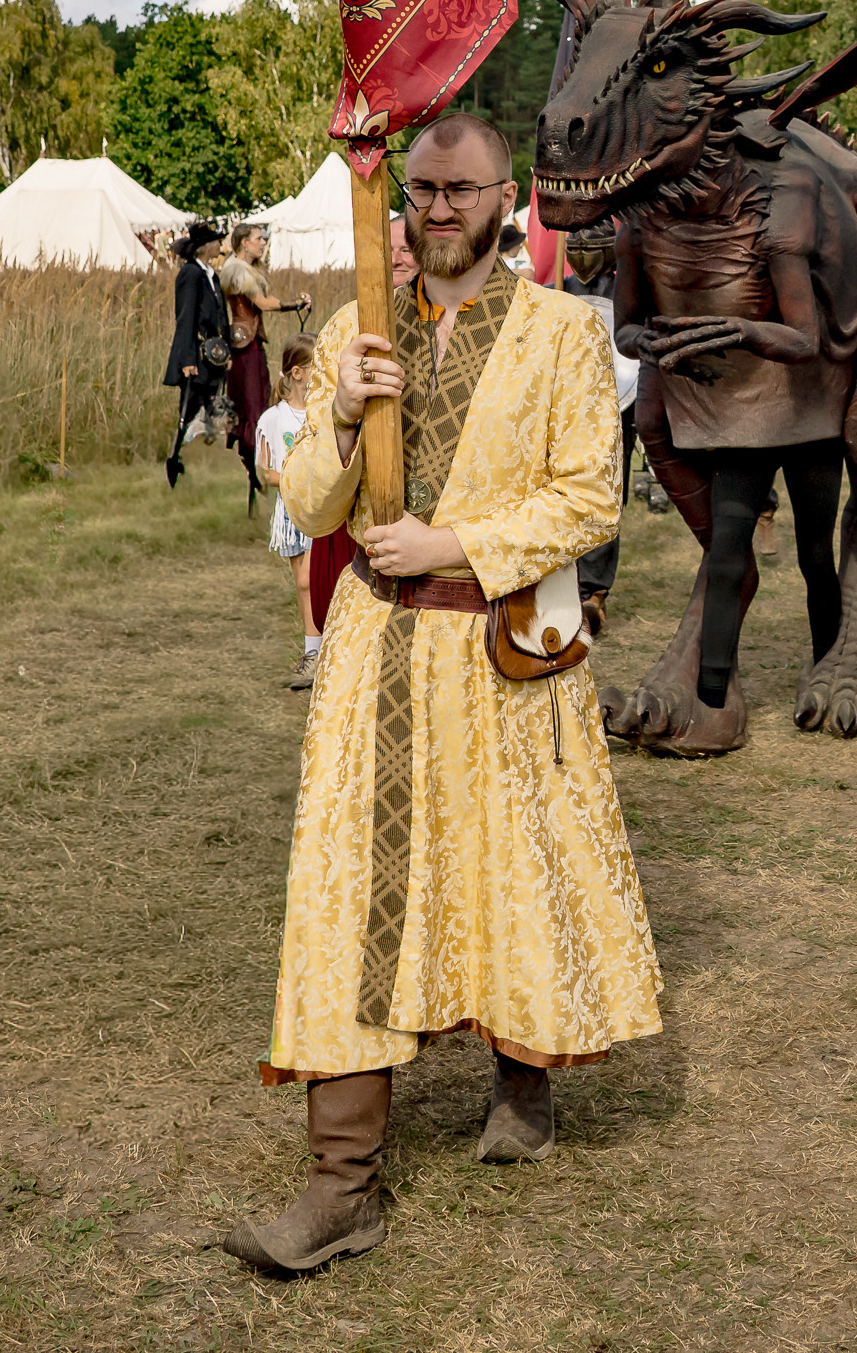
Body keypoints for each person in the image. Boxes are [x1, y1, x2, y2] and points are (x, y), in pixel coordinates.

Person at [221, 113, 661, 1276]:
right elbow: (312, 507)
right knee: (346, 886)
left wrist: (453, 539)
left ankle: (523, 1078)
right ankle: (342, 1180)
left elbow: (587, 501)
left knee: (508, 869)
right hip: (374, 650)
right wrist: (348, 408)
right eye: (422, 189)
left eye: (462, 189)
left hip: (503, 652)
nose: (439, 207)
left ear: (506, 195)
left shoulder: (568, 331)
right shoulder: (368, 331)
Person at [564, 223, 640, 635]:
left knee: (606, 495)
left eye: (591, 244)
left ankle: (594, 592)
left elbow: (633, 352)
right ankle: (566, 584)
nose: (582, 251)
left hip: (618, 407)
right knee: (568, 493)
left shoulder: (630, 292)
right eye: (576, 243)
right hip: (568, 408)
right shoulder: (556, 291)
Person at [220, 223, 311, 510]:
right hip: (244, 347)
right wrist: (295, 304)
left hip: (251, 344)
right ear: (244, 242)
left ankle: (257, 477)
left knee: (256, 407)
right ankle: (256, 474)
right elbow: (261, 302)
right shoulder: (237, 271)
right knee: (252, 409)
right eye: (259, 239)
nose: (263, 243)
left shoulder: (244, 269)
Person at [256, 336, 321, 688]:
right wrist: (299, 480)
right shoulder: (273, 419)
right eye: (316, 367)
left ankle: (322, 650)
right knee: (304, 581)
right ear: (297, 373)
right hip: (293, 509)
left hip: (323, 507)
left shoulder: (323, 412)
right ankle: (313, 652)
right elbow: (266, 473)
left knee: (317, 578)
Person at [163, 220, 230, 486]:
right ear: (204, 247)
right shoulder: (191, 274)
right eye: (215, 241)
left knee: (210, 408)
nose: (219, 245)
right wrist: (187, 359)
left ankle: (202, 461)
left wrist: (227, 353)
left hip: (214, 356)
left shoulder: (212, 274)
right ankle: (176, 459)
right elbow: (186, 317)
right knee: (189, 411)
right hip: (198, 357)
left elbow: (221, 316)